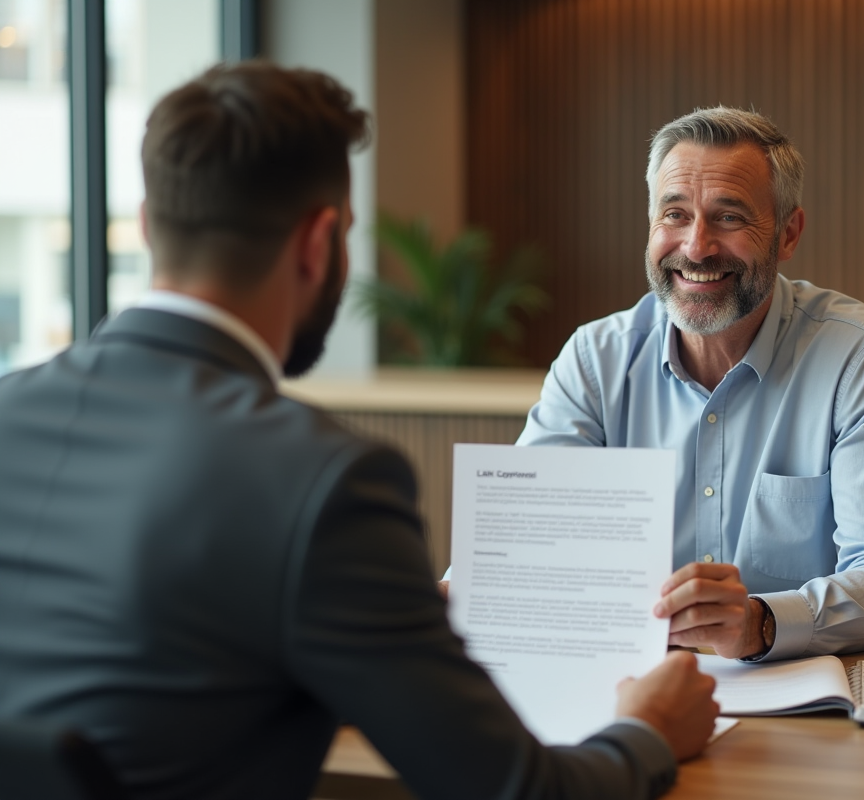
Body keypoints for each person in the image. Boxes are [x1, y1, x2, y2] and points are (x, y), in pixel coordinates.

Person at [0, 62, 718, 800]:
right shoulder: (321, 481)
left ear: (148, 225)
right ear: (320, 244)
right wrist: (648, 730)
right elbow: (519, 792)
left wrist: (383, 621)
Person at [514, 107, 864, 663]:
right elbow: (525, 542)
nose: (696, 247)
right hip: (640, 694)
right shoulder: (595, 360)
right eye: (674, 214)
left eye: (729, 217)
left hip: (819, 705)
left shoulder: (862, 356)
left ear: (788, 234)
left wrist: (761, 623)